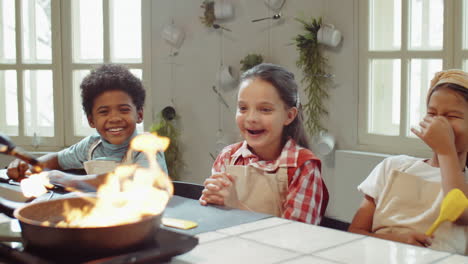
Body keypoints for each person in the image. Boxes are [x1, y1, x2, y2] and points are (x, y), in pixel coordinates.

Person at [348, 69, 468, 254]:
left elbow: (461, 211)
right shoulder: (392, 167)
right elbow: (355, 232)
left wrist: (446, 151)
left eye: (452, 116)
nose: (439, 123)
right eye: (432, 113)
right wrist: (392, 241)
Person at [199, 63, 328, 225]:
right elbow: (212, 220)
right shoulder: (228, 156)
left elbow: (296, 238)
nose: (251, 118)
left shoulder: (303, 167)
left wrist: (236, 207)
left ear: (289, 116)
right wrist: (209, 201)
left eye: (265, 109)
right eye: (243, 108)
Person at [7, 64, 167, 189]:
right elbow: (56, 159)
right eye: (104, 112)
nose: (115, 118)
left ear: (139, 114)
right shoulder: (91, 146)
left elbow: (136, 181)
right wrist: (28, 166)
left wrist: (67, 179)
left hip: (140, 223)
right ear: (91, 120)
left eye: (124, 110)